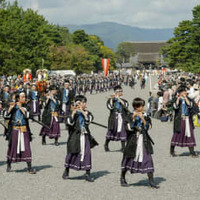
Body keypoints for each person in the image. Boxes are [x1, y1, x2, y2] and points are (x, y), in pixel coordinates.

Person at [120, 98, 159, 188]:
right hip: (132, 141)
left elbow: (149, 127)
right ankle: (122, 177)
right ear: (136, 107)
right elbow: (128, 128)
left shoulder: (145, 115)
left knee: (148, 159)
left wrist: (143, 119)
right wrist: (133, 119)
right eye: (141, 106)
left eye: (142, 105)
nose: (142, 107)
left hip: (144, 140)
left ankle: (151, 181)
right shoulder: (129, 115)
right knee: (128, 159)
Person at [62, 95, 98, 182]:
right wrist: (73, 113)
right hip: (75, 136)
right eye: (83, 102)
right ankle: (66, 170)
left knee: (87, 153)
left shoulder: (87, 113)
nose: (84, 104)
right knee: (72, 153)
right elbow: (69, 123)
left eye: (85, 102)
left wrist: (82, 112)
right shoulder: (73, 113)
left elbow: (89, 120)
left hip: (84, 135)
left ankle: (87, 173)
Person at [4, 92, 36, 174]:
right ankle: (8, 164)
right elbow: (6, 116)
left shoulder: (26, 106)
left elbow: (28, 116)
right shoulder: (13, 106)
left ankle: (29, 167)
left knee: (27, 147)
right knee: (12, 147)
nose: (24, 98)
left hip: (24, 130)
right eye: (22, 97)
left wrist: (21, 108)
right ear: (18, 98)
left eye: (25, 97)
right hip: (14, 130)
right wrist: (10, 108)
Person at [170, 86, 198, 157]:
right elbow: (175, 107)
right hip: (179, 120)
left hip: (188, 119)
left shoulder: (189, 99)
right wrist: (178, 99)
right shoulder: (176, 99)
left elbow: (191, 107)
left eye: (185, 91)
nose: (184, 92)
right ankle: (172, 150)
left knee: (190, 134)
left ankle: (192, 152)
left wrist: (185, 98)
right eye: (183, 91)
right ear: (179, 93)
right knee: (177, 134)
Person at [104, 85, 129, 152]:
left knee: (123, 130)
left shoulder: (123, 100)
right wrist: (112, 99)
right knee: (112, 130)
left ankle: (123, 147)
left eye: (121, 91)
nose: (120, 92)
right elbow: (110, 107)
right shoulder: (110, 100)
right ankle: (106, 144)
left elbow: (126, 106)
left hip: (122, 117)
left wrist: (119, 99)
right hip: (114, 118)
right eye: (119, 91)